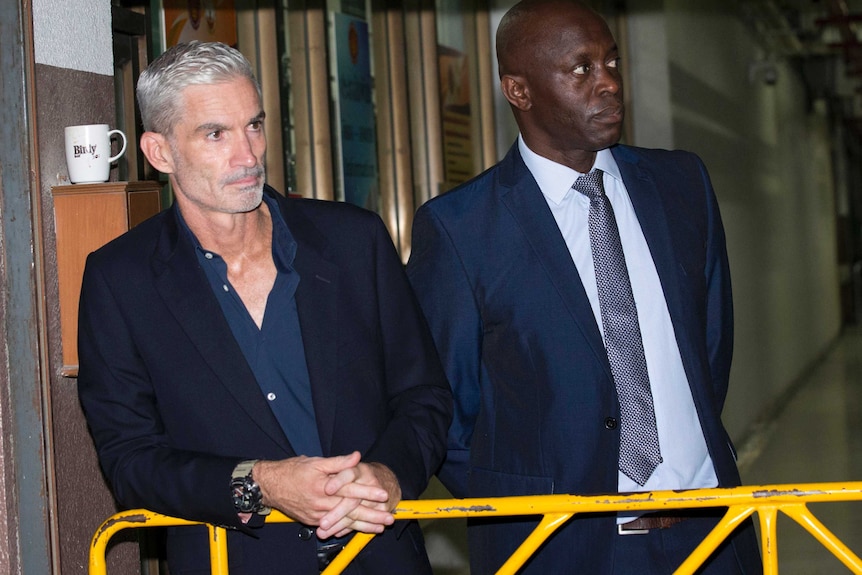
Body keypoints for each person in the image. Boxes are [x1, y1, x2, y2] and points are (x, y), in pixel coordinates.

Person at [406, 1, 761, 573]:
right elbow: (446, 405)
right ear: (518, 91)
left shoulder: (681, 185)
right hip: (560, 548)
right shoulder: (460, 229)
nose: (610, 84)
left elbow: (710, 346)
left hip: (709, 531)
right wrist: (530, 501)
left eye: (612, 62)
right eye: (581, 69)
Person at [77, 41, 452, 574]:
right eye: (216, 134)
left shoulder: (354, 241)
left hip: (379, 556)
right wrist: (261, 486)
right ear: (160, 153)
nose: (248, 155)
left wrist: (390, 474)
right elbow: (131, 460)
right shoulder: (122, 280)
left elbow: (424, 394)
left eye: (253, 125)